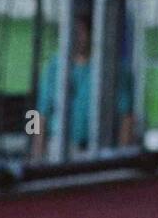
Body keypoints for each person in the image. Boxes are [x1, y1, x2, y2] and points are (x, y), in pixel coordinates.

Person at [30, 12, 134, 161]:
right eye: (71, 32)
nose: (75, 38)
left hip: (99, 151)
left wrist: (122, 156)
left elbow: (127, 116)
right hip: (58, 148)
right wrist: (36, 152)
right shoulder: (54, 66)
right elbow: (38, 113)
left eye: (80, 32)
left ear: (93, 34)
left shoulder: (113, 68)